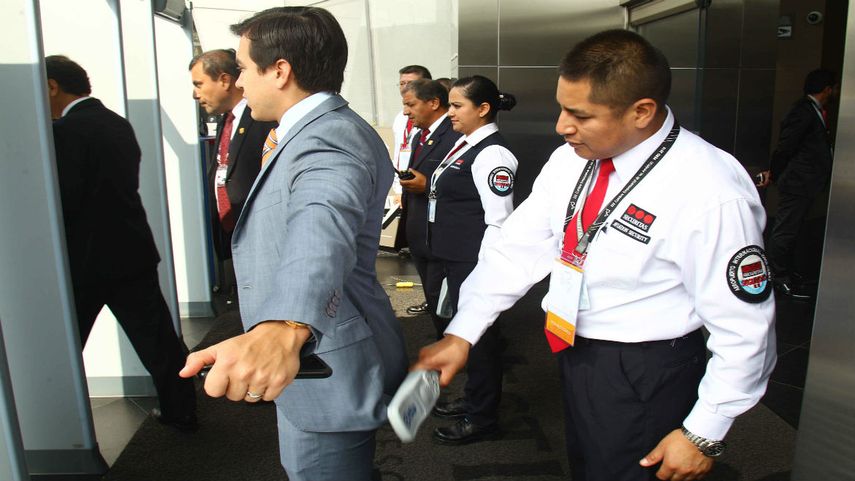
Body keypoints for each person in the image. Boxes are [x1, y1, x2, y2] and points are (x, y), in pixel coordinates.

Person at [415, 30, 776, 481]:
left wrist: (705, 430)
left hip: (646, 367)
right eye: (562, 107)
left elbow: (746, 328)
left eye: (580, 115)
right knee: (589, 466)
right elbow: (516, 248)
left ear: (641, 111)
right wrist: (463, 331)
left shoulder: (709, 189)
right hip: (575, 348)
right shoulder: (573, 158)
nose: (562, 126)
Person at [179, 7, 408, 481]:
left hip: (325, 356)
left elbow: (321, 225)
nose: (239, 83)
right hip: (321, 349)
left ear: (280, 70)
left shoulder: (327, 140)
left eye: (242, 69)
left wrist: (286, 323)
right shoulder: (313, 130)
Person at [46, 55, 197, 431]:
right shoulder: (115, 123)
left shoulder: (63, 132)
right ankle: (182, 412)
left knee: (61, 350)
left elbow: (65, 198)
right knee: (158, 341)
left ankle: (56, 428)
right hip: (131, 252)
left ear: (52, 86)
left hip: (84, 260)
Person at [426, 75, 518, 445]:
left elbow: (500, 221)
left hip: (474, 263)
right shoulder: (467, 144)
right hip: (457, 258)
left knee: (480, 339)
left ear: (483, 109)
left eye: (456, 106)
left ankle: (482, 417)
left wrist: (486, 276)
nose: (449, 113)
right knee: (468, 335)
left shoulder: (492, 154)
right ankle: (474, 399)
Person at [189, 49, 277, 265]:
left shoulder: (262, 118)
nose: (195, 94)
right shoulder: (226, 120)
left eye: (199, 84)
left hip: (262, 244)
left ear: (224, 80)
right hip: (234, 242)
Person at [396, 79, 463, 336]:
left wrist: (428, 187)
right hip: (419, 233)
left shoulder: (455, 136)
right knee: (434, 298)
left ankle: (456, 346)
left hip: (442, 236)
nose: (405, 112)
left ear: (434, 103)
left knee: (446, 299)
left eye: (411, 104)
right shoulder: (420, 135)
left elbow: (462, 186)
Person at [764, 69, 836, 299]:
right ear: (827, 89)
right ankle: (777, 277)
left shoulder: (813, 110)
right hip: (798, 182)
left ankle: (786, 272)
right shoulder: (802, 111)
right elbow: (786, 146)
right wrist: (775, 172)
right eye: (832, 88)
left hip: (806, 182)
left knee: (792, 229)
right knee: (786, 229)